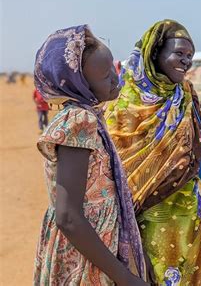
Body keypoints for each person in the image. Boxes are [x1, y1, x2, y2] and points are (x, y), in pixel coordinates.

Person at [106, 20, 201, 285]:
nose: (186, 61)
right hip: (149, 220)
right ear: (155, 52)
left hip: (195, 217)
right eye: (179, 53)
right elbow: (118, 163)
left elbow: (197, 147)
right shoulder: (125, 100)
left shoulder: (186, 94)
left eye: (190, 56)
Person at [33, 25, 146, 285]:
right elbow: (68, 216)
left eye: (114, 71)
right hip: (87, 256)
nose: (116, 80)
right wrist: (124, 277)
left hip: (96, 245)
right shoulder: (79, 121)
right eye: (106, 76)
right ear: (80, 84)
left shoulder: (89, 116)